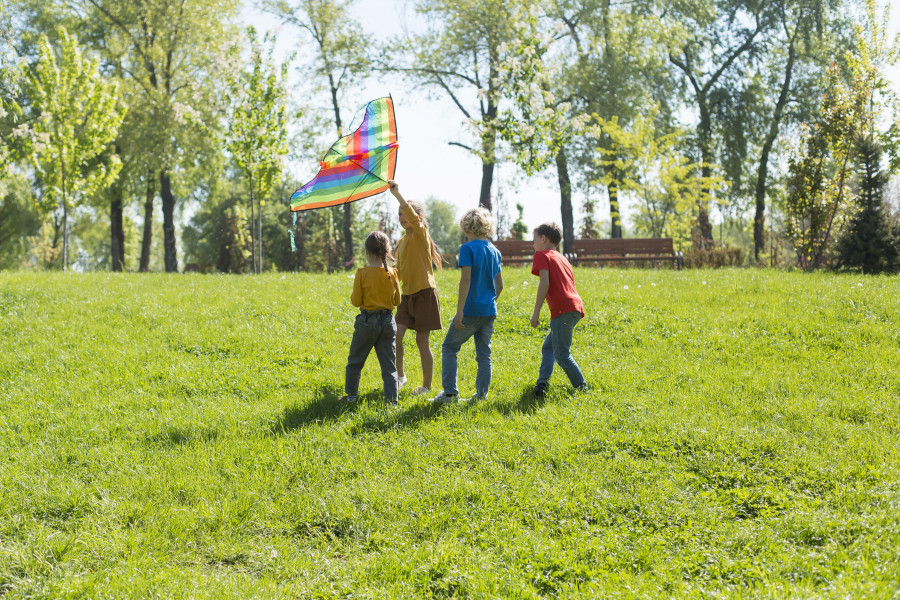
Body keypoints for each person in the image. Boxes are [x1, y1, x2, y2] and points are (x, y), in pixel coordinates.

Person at [431, 207, 503, 404]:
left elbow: (466, 280)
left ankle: (450, 394)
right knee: (484, 354)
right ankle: (481, 396)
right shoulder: (495, 251)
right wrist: (489, 302)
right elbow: (500, 285)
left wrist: (460, 310)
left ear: (465, 227)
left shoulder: (467, 249)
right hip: (489, 311)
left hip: (470, 310)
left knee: (449, 347)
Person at [387, 180, 444, 396]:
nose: (403, 218)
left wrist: (398, 195)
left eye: (406, 214)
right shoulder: (402, 242)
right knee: (396, 336)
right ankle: (400, 377)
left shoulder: (421, 234)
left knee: (422, 341)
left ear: (418, 218)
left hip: (424, 295)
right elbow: (398, 271)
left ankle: (426, 386)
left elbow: (411, 215)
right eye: (399, 215)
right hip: (407, 297)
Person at [341, 231, 402, 405]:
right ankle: (392, 402)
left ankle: (351, 397)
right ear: (387, 252)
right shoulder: (393, 273)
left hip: (367, 322)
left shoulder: (362, 273)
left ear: (366, 252)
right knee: (389, 366)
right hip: (388, 323)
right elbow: (397, 301)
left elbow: (355, 301)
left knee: (355, 361)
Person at [530, 223, 588, 397]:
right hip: (575, 307)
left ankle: (582, 388)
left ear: (543, 238)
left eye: (534, 240)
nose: (533, 245)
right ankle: (542, 383)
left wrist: (536, 312)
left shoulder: (541, 255)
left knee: (562, 354)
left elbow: (545, 282)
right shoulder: (562, 258)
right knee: (549, 347)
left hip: (562, 310)